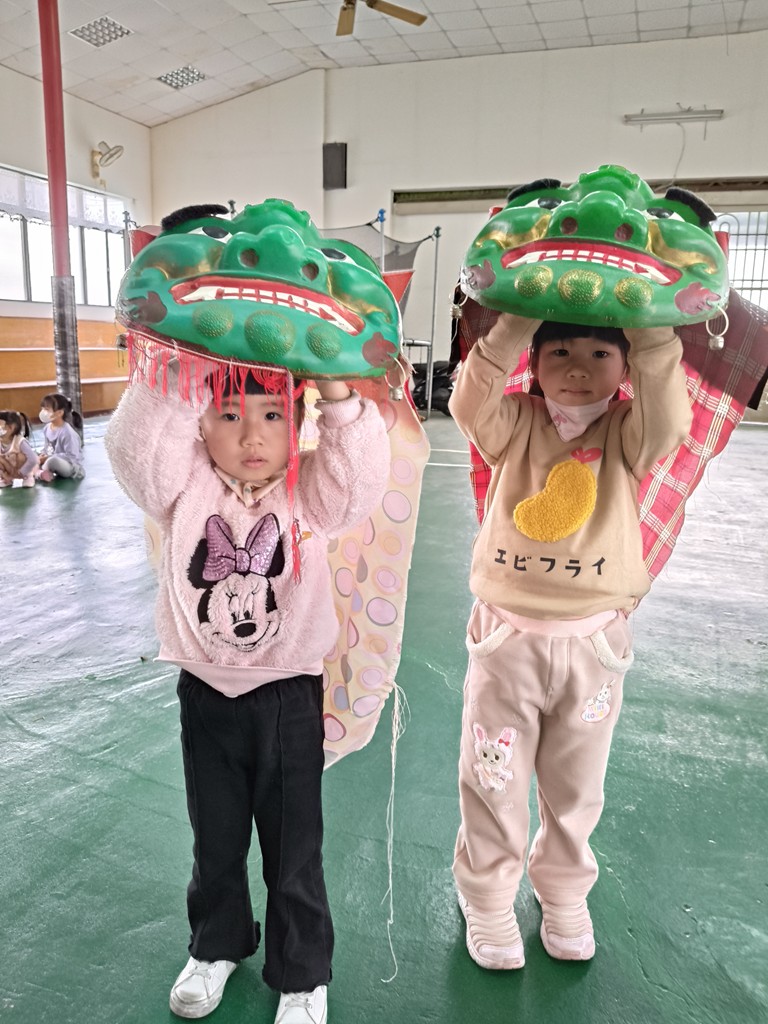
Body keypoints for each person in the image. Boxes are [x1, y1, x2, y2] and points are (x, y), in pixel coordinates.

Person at [105, 360, 390, 1024]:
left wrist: (338, 392)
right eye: (229, 415)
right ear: (200, 423)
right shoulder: (183, 484)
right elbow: (136, 455)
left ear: (298, 424)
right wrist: (173, 375)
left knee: (295, 850)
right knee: (215, 837)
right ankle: (216, 945)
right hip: (206, 693)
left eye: (272, 416)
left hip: (288, 698)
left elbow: (358, 480)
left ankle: (302, 973)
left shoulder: (309, 489)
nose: (252, 435)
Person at [448, 313, 692, 969]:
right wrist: (512, 323)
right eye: (558, 350)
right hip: (508, 638)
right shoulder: (515, 422)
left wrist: (653, 329)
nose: (578, 367)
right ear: (532, 362)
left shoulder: (629, 432)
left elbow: (671, 419)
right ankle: (487, 895)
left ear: (626, 366)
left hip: (593, 646)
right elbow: (468, 404)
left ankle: (562, 889)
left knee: (576, 784)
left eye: (600, 353)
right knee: (493, 776)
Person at [38, 392, 85, 481]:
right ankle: (41, 473)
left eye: (47, 409)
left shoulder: (68, 433)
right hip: (51, 459)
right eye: (43, 409)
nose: (43, 412)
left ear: (59, 413)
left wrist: (48, 458)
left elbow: (72, 456)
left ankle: (40, 473)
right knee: (31, 456)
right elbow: (47, 447)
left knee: (52, 461)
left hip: (70, 467)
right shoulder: (47, 428)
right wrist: (42, 455)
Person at [0, 409, 37, 488]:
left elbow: (33, 459)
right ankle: (7, 479)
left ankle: (28, 477)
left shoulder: (20, 441)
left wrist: (22, 472)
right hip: (10, 469)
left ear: (11, 428)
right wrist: (3, 474)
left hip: (22, 470)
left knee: (21, 456)